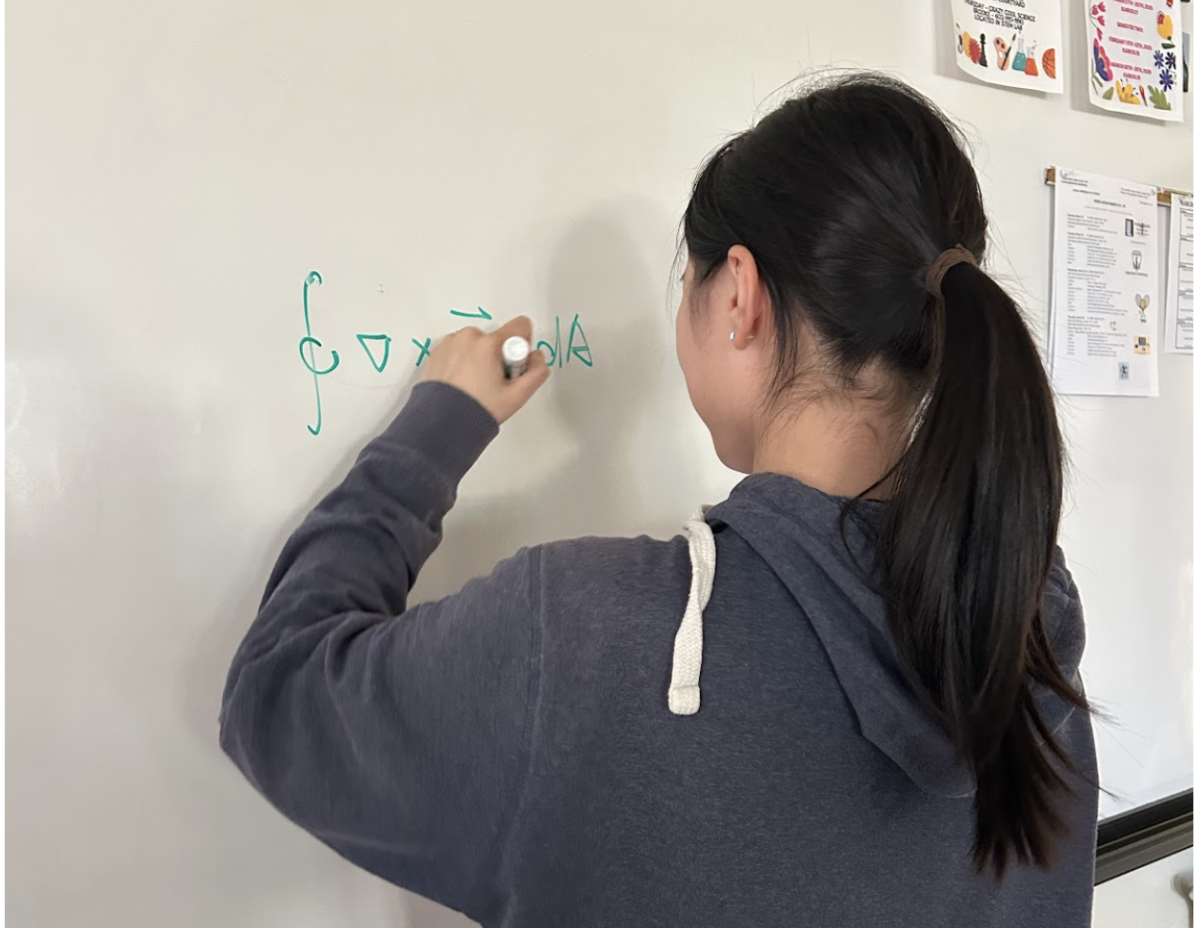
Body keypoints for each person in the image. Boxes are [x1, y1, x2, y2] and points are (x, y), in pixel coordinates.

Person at [220, 74, 1098, 926]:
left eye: (688, 280)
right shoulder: (1028, 642)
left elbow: (277, 690)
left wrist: (436, 429)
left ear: (739, 298)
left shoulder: (581, 640)